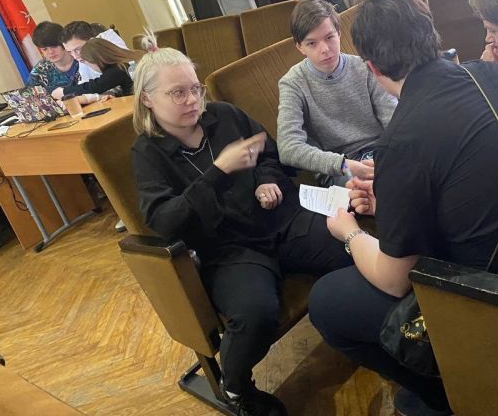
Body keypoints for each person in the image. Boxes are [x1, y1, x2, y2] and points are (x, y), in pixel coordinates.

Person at [308, 0, 498, 416]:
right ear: (431, 34)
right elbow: (467, 181)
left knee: (327, 300)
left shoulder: (402, 140)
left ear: (372, 68)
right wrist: (390, 197)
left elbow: (394, 281)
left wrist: (349, 234)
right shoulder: (491, 73)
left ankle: (452, 395)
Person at [130, 42, 351, 416]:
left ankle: (363, 328)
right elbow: (166, 221)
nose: (192, 100)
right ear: (147, 99)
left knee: (351, 246)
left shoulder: (224, 116)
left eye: (195, 88)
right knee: (255, 314)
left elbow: (270, 155)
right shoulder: (147, 153)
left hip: (278, 221)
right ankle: (234, 387)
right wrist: (219, 171)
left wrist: (267, 181)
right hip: (228, 250)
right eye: (177, 92)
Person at [277, 0, 396, 184]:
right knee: (376, 189)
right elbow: (287, 148)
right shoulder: (293, 83)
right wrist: (345, 165)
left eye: (329, 37)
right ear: (300, 47)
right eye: (312, 43)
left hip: (380, 152)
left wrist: (392, 155)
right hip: (338, 168)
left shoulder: (364, 67)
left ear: (339, 33)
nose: (325, 49)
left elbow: (395, 119)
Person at [51, 38, 143, 100]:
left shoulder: (118, 70)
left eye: (86, 61)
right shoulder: (125, 62)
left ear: (97, 60)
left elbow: (94, 86)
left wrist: (64, 91)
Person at [60, 20, 129, 84]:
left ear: (92, 41)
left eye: (78, 49)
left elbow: (121, 71)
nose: (75, 56)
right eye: (70, 52)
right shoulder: (82, 60)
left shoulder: (109, 38)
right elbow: (85, 85)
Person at [26, 21, 80, 93]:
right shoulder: (40, 70)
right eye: (45, 49)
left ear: (63, 43)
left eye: (54, 46)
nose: (50, 52)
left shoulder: (82, 59)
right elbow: (30, 95)